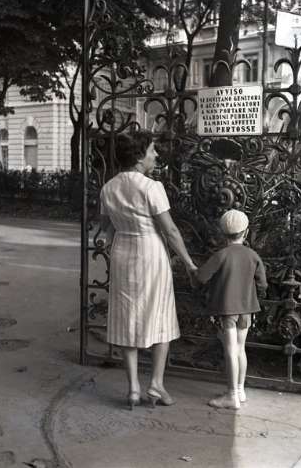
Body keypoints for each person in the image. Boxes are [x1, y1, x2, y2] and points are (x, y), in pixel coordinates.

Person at [100, 131, 197, 410]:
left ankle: (133, 388)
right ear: (139, 156)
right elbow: (171, 230)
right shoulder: (151, 187)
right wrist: (189, 262)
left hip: (122, 253)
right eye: (152, 150)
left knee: (126, 316)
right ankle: (156, 383)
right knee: (160, 314)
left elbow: (105, 227)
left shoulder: (108, 188)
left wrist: (112, 233)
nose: (155, 155)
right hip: (150, 253)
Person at [195, 209, 267, 409]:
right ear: (246, 232)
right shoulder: (253, 256)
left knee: (230, 350)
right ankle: (240, 390)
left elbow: (201, 277)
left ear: (223, 233)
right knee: (240, 349)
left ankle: (231, 395)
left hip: (227, 310)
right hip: (247, 309)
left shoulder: (221, 255)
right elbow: (263, 284)